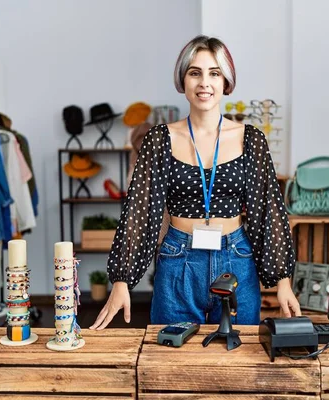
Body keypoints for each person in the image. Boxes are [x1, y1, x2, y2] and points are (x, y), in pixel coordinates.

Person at [90, 35, 301, 330]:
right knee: (170, 361)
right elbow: (138, 211)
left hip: (236, 260)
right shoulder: (159, 139)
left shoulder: (251, 139)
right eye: (195, 72)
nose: (205, 83)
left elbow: (269, 211)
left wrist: (282, 281)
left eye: (214, 73)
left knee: (238, 362)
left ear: (226, 81)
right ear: (183, 81)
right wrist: (122, 280)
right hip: (178, 260)